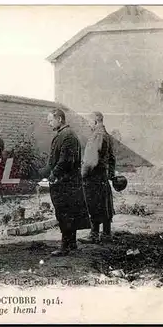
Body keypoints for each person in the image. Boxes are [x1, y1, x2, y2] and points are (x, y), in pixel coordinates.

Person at [39, 109, 90, 256]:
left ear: (59, 119)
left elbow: (65, 161)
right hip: (64, 182)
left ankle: (65, 246)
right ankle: (71, 244)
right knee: (65, 212)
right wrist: (42, 172)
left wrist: (53, 174)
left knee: (65, 213)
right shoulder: (63, 135)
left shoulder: (68, 136)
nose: (49, 123)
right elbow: (56, 160)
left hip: (66, 183)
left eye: (50, 120)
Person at [79, 112, 116, 244]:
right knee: (104, 204)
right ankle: (106, 234)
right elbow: (112, 158)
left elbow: (91, 161)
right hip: (102, 176)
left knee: (93, 204)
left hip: (93, 176)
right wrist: (111, 174)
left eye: (89, 122)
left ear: (95, 121)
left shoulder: (96, 135)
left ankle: (94, 235)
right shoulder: (107, 135)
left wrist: (82, 175)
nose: (88, 125)